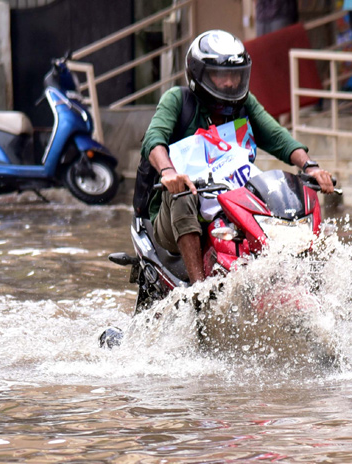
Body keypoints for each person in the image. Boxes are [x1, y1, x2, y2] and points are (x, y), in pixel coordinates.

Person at [141, 30, 336, 286]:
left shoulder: (246, 104)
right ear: (199, 75)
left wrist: (310, 166)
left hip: (227, 201)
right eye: (221, 77)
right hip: (176, 212)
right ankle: (198, 292)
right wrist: (168, 173)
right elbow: (153, 139)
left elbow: (277, 136)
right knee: (182, 196)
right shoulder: (178, 100)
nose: (230, 83)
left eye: (236, 75)